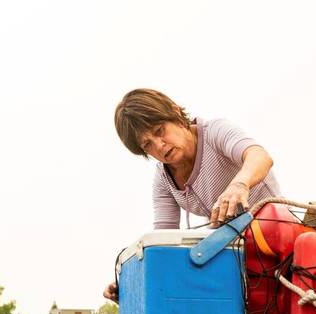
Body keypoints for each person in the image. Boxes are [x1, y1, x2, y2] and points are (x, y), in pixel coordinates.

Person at [105, 89, 283, 301]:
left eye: (160, 130)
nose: (159, 145)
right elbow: (163, 241)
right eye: (147, 144)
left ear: (175, 114)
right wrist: (130, 284)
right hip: (233, 258)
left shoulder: (215, 132)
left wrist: (239, 184)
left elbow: (259, 156)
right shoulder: (163, 179)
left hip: (274, 239)